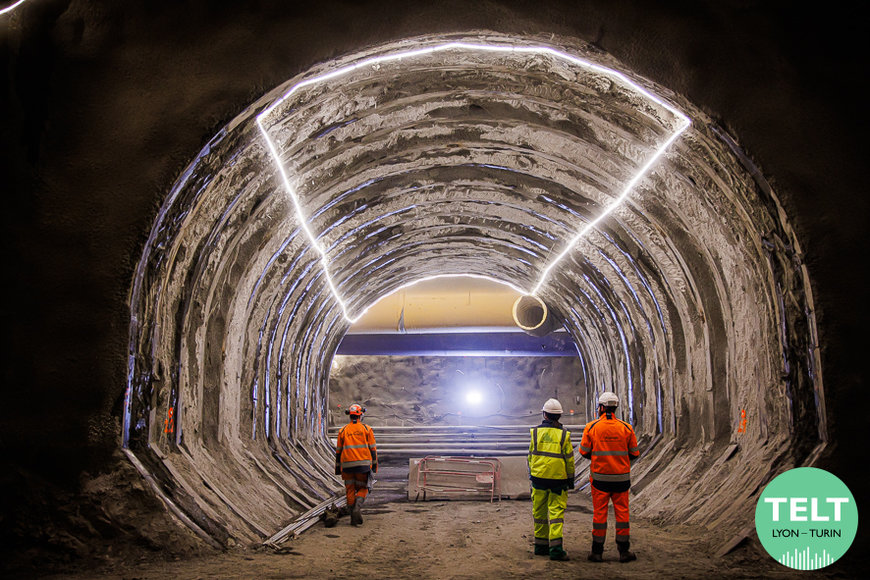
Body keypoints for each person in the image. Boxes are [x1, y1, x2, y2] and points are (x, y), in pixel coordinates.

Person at [579, 391, 640, 563]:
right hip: (621, 479)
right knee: (622, 514)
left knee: (600, 514)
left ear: (600, 408)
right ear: (616, 408)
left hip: (600, 479)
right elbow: (634, 453)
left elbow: (584, 451)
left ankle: (597, 552)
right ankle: (624, 551)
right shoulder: (626, 428)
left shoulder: (591, 427)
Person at [528, 398, 575, 561]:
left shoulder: (535, 432)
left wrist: (531, 474)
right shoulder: (564, 435)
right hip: (558, 481)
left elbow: (530, 456)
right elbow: (569, 459)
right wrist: (570, 480)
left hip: (539, 478)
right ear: (559, 416)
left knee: (539, 513)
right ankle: (556, 550)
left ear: (544, 414)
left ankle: (540, 547)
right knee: (556, 514)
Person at [335, 403, 377, 526]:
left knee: (350, 489)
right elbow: (373, 450)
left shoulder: (342, 431)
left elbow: (338, 452)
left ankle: (352, 515)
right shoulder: (366, 429)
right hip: (363, 466)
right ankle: (357, 508)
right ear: (360, 415)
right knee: (363, 487)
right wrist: (374, 467)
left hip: (347, 466)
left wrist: (338, 469)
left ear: (350, 416)